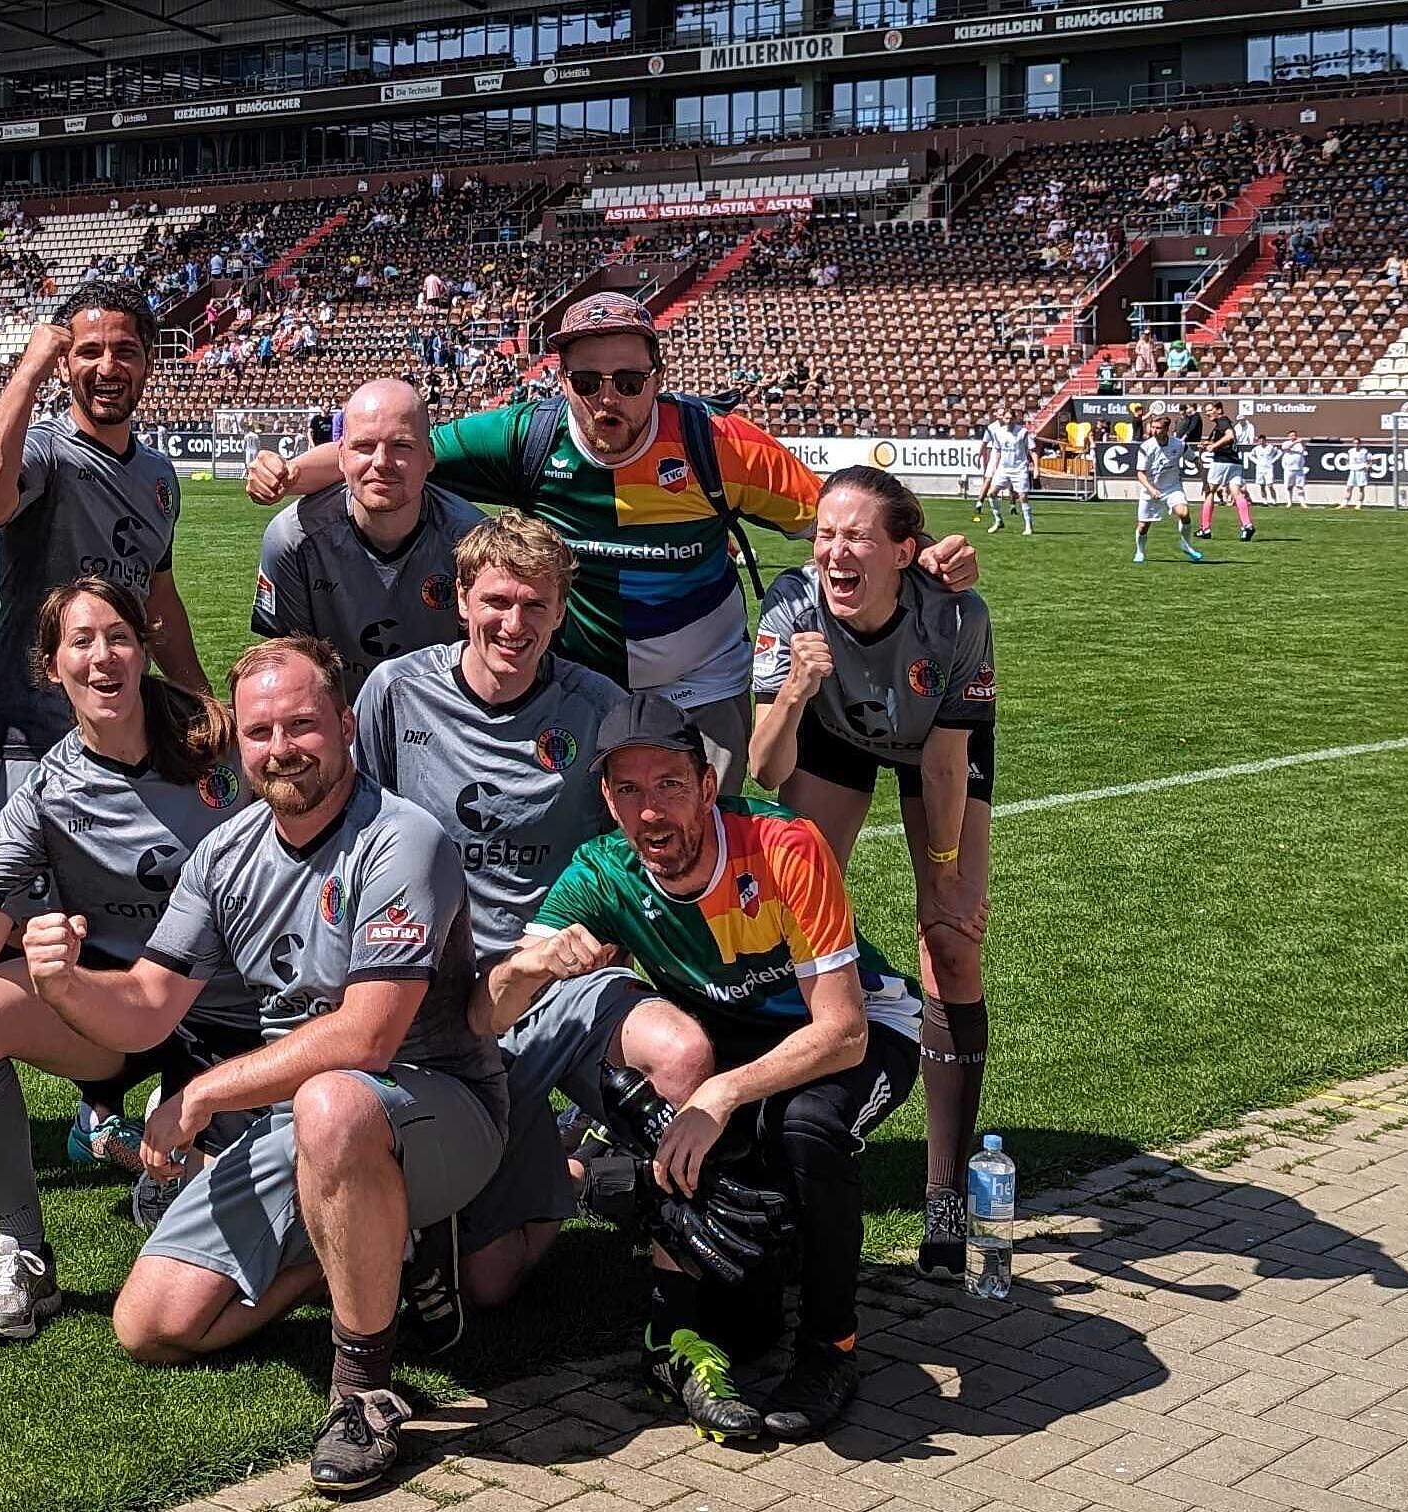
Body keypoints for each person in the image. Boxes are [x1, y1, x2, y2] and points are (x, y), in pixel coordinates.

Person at [25, 637, 505, 1494]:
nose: (280, 749)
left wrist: (203, 1092)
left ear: (348, 727)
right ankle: (376, 1250)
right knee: (152, 1326)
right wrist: (61, 982)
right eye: (258, 732)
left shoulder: (403, 840)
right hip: (306, 1123)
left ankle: (363, 1392)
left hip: (440, 1108)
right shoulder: (225, 853)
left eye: (301, 725)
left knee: (333, 1101)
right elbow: (146, 1005)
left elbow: (366, 1039)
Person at [248, 291, 974, 791]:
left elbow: (839, 516)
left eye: (629, 379)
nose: (609, 398)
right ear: (559, 381)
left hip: (706, 684)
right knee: (583, 850)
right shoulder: (525, 435)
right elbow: (401, 448)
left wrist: (927, 546)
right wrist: (290, 475)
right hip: (581, 687)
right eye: (588, 379)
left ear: (660, 376)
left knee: (703, 851)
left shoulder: (717, 444)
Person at [487, 694, 922, 1443]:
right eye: (627, 789)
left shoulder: (785, 846)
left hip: (865, 1029)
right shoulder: (603, 870)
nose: (650, 811)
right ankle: (700, 1317)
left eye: (669, 786)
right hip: (751, 1048)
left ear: (708, 783)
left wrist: (721, 1092)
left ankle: (831, 1351)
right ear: (605, 798)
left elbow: (843, 1033)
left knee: (807, 1129)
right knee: (742, 1310)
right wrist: (527, 968)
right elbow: (491, 1013)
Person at [0, 579, 262, 1340]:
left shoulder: (221, 745)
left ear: (143, 649)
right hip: (123, 1015)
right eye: (81, 642)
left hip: (242, 1021)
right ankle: (24, 1256)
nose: (103, 656)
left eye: (118, 636)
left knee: (254, 1212)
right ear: (52, 668)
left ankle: (150, 1152)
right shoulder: (50, 785)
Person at [350, 515, 639, 1348]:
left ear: (560, 611)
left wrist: (599, 936)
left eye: (536, 606)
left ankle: (690, 1269)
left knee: (679, 1054)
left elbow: (632, 849)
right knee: (491, 1283)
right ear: (462, 601)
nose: (515, 624)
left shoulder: (597, 709)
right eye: (498, 601)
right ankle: (569, 1170)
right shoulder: (396, 692)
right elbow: (355, 834)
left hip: (560, 976)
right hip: (436, 991)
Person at [0, 279, 212, 1172]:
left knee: (105, 924)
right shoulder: (48, 453)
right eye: (88, 351)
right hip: (28, 738)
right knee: (4, 931)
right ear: (67, 360)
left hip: (125, 738)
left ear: (149, 361)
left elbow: (161, 598)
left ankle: (97, 1101)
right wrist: (26, 370)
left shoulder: (156, 474)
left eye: (125, 350)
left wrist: (198, 700)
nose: (107, 367)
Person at [745, 468, 997, 1281]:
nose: (833, 551)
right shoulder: (792, 604)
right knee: (787, 923)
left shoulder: (956, 613)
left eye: (855, 536)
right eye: (825, 533)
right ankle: (777, 1140)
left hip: (933, 749)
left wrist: (948, 878)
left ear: (905, 549)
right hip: (830, 732)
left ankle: (947, 1196)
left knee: (952, 946)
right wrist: (792, 693)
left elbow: (949, 760)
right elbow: (762, 766)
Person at [254, 378, 485, 697]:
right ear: (340, 457)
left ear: (430, 456)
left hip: (443, 726)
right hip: (336, 729)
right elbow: (289, 669)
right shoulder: (293, 540)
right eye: (364, 446)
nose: (381, 462)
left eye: (401, 446)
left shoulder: (474, 543)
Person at [1128, 409, 1205, 564]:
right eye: (1153, 427)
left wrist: (1204, 478)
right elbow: (1140, 474)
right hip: (1150, 490)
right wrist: (1151, 489)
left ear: (1166, 429)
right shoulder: (1146, 447)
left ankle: (1186, 544)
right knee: (1143, 526)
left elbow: (1195, 459)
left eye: (1158, 428)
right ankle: (1140, 551)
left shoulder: (1179, 444)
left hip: (1172, 488)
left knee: (1184, 513)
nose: (1154, 431)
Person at [1196, 401, 1256, 542]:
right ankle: (1247, 525)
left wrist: (1213, 446)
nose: (1207, 413)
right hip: (1235, 462)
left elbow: (1230, 436)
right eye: (1206, 411)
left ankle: (1205, 529)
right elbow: (1228, 442)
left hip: (1221, 462)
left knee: (1209, 492)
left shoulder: (1222, 422)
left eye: (1210, 410)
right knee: (1237, 493)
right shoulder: (1225, 422)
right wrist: (1209, 444)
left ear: (1219, 410)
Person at [976, 406, 1037, 536]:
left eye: (1010, 418)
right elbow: (997, 450)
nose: (1008, 420)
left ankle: (1028, 526)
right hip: (1004, 468)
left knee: (1023, 497)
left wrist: (1036, 468)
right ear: (1003, 419)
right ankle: (998, 521)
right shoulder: (998, 433)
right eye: (1006, 418)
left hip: (1019, 468)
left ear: (1015, 419)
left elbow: (1032, 451)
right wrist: (995, 468)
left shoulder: (1023, 433)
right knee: (992, 493)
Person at [1248, 430, 1280, 506]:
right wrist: (1256, 461)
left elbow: (1279, 452)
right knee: (1262, 486)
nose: (1261, 442)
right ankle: (1264, 501)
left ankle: (1274, 501)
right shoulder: (1256, 448)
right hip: (1260, 468)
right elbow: (1250, 456)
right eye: (1260, 440)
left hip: (1268, 468)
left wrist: (1273, 460)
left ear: (1265, 440)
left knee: (1270, 485)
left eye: (1263, 440)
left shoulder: (1270, 447)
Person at [1282, 431, 1311, 507]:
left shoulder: (1299, 445)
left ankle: (1302, 503)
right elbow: (1285, 448)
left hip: (1299, 469)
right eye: (1291, 436)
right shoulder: (1286, 443)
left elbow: (1303, 450)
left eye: (1294, 435)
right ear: (1288, 437)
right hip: (1289, 469)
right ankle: (1289, 502)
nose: (1293, 437)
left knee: (1300, 486)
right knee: (1289, 486)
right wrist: (1295, 442)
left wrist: (1301, 443)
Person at [1342, 439, 1373, 508]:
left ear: (1360, 444)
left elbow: (1370, 460)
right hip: (1353, 471)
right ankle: (1344, 503)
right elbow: (1347, 459)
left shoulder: (1365, 451)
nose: (1356, 445)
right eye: (1355, 443)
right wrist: (1348, 465)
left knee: (1361, 488)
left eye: (1358, 443)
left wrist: (1367, 467)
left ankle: (1359, 504)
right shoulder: (1350, 451)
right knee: (1349, 487)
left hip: (1361, 471)